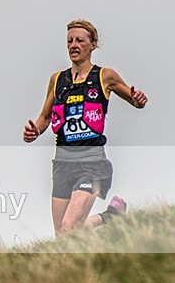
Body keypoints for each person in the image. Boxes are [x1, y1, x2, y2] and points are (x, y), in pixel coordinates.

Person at [23, 19, 148, 236]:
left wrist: (138, 99)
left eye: (80, 40)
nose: (74, 45)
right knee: (63, 237)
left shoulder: (104, 76)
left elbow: (133, 99)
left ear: (92, 44)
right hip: (62, 164)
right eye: (70, 41)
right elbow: (44, 117)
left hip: (91, 163)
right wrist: (34, 131)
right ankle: (110, 217)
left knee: (69, 227)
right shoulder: (57, 80)